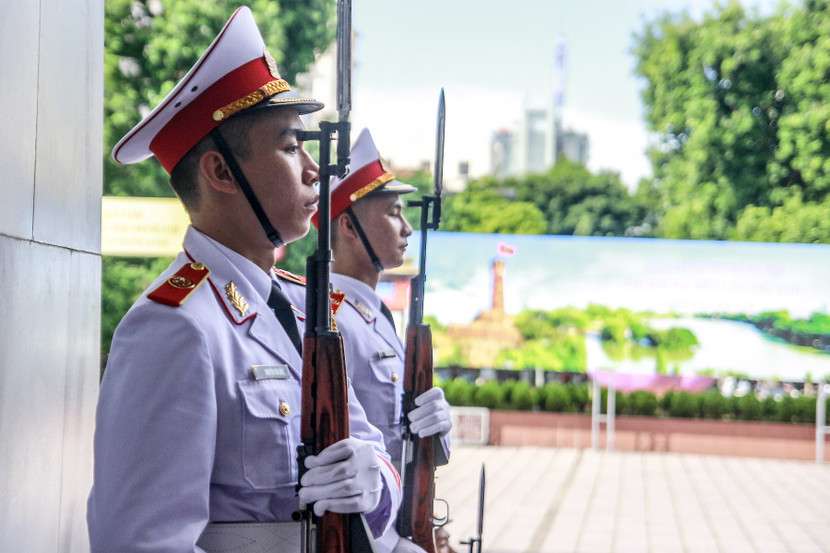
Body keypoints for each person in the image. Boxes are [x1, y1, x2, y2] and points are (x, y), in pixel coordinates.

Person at [87, 8, 400, 553]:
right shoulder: (175, 327)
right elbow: (139, 542)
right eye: (288, 146)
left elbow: (377, 459)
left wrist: (373, 479)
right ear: (221, 172)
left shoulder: (303, 310)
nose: (312, 169)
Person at [312, 128, 453, 553]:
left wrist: (438, 429)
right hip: (366, 532)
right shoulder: (331, 319)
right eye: (393, 212)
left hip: (397, 522)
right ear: (348, 226)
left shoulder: (375, 315)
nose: (407, 227)